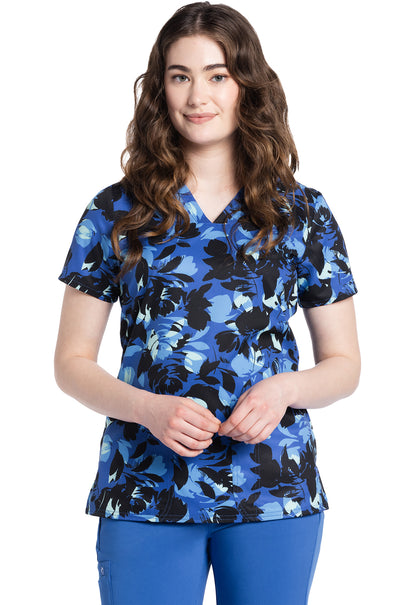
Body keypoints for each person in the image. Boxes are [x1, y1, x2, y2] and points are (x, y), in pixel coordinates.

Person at [55, 2, 360, 604]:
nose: (198, 96)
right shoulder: (115, 211)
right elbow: (70, 363)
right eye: (180, 76)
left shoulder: (302, 213)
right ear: (160, 88)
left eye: (217, 75)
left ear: (247, 84)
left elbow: (345, 365)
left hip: (272, 490)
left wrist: (284, 390)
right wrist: (147, 409)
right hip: (145, 488)